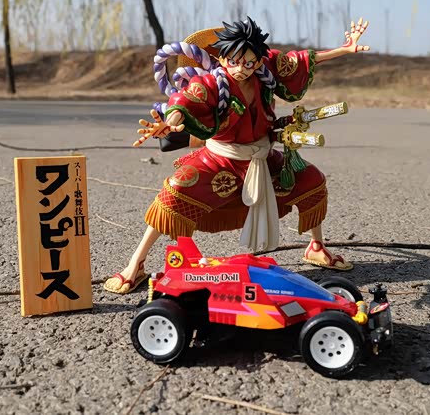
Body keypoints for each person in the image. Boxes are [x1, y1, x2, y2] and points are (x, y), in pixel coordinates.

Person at [104, 16, 370, 294]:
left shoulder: (265, 72)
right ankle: (136, 263)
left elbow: (299, 60)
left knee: (311, 180)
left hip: (262, 157)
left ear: (258, 60)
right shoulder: (210, 83)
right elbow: (183, 101)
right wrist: (170, 121)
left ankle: (316, 246)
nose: (241, 69)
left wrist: (343, 49)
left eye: (249, 63)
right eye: (234, 61)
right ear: (221, 58)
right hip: (220, 161)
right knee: (174, 192)